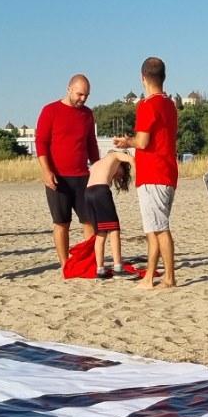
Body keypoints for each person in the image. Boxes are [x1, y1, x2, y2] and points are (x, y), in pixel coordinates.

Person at [123, 57, 180, 290]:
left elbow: (143, 141)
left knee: (159, 227)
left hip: (153, 173)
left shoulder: (148, 105)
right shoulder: (170, 104)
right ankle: (149, 276)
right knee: (153, 228)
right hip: (166, 172)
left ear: (143, 77)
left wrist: (127, 141)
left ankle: (168, 277)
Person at [36, 74, 101, 264]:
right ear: (69, 89)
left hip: (82, 176)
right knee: (62, 222)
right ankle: (65, 264)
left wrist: (97, 169)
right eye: (80, 94)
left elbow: (91, 144)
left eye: (86, 96)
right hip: (58, 178)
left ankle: (90, 261)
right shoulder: (50, 111)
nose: (83, 99)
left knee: (89, 221)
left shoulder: (87, 114)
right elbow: (41, 143)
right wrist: (46, 171)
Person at [82, 147, 139, 278]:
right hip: (101, 191)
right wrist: (138, 173)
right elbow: (132, 159)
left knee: (101, 232)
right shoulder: (115, 156)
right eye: (121, 172)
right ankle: (118, 268)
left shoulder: (97, 164)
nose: (119, 176)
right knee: (114, 230)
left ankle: (100, 270)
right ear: (121, 165)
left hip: (88, 193)